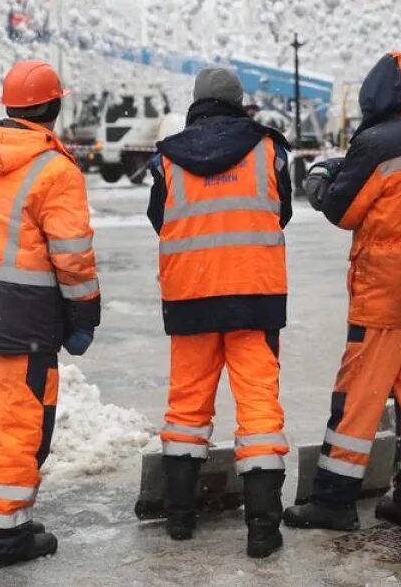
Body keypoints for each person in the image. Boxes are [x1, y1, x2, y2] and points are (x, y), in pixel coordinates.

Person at [285, 50, 401, 533]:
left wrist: (321, 181)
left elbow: (345, 209)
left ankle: (335, 500)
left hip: (386, 292)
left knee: (359, 395)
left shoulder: (376, 141)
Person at [0, 59, 100, 568]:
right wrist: (84, 314)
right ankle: (6, 538)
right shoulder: (55, 169)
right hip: (23, 319)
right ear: (55, 106)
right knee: (22, 426)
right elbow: (73, 253)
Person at [146, 67, 292, 557]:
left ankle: (181, 520)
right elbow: (282, 210)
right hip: (254, 296)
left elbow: (158, 218)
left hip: (191, 297)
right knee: (258, 409)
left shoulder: (167, 158)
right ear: (238, 102)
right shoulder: (269, 149)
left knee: (186, 408)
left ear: (196, 102)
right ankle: (263, 531)